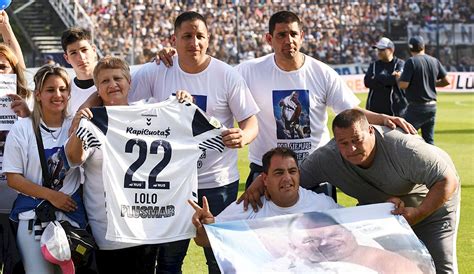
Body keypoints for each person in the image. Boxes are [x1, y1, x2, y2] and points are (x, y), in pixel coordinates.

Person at [156, 11, 415, 193]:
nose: (288, 40)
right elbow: (210, 73)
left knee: (319, 241)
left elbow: (350, 111)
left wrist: (384, 119)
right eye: (281, 35)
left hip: (315, 168)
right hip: (266, 169)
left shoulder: (322, 72)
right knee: (270, 246)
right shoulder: (248, 70)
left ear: (302, 36)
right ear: (270, 39)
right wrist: (175, 54)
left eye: (293, 34)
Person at [244, 109, 459, 274]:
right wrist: (260, 183)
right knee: (381, 267)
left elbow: (446, 180)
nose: (351, 149)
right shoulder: (326, 158)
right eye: (343, 143)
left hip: (432, 205)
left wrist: (420, 212)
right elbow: (291, 180)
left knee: (440, 267)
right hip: (383, 214)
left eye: (357, 140)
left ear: (370, 131)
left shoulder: (403, 149)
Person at [130, 11, 259, 273]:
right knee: (168, 263)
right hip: (171, 184)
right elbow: (118, 95)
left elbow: (251, 123)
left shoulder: (226, 75)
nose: (194, 42)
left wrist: (243, 136)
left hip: (217, 182)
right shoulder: (158, 69)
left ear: (209, 39)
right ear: (173, 39)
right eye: (187, 36)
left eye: (200, 36)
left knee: (220, 260)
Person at [65, 56, 192, 273]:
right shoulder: (94, 120)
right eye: (105, 81)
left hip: (146, 225)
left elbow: (180, 136)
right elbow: (74, 159)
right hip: (108, 230)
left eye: (118, 78)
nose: (113, 84)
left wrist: (183, 103)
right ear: (97, 88)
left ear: (129, 82)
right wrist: (80, 126)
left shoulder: (149, 116)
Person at [3, 65, 86, 274]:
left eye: (62, 89)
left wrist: (79, 125)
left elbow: (78, 159)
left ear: (69, 93)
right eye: (50, 90)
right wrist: (52, 196)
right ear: (38, 94)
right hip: (33, 217)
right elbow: (13, 178)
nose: (57, 95)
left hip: (72, 218)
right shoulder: (22, 128)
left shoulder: (77, 125)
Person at [188, 147, 341, 248]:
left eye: (292, 171)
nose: (287, 178)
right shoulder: (248, 207)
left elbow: (356, 228)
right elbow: (204, 240)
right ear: (265, 180)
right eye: (279, 173)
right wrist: (204, 225)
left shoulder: (323, 204)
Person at [0, 10, 34, 274]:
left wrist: (6, 27)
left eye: (2, 66)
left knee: (18, 268)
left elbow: (20, 66)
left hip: (19, 205)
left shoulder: (26, 101)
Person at [284, 212, 425, 274]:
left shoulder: (387, 262)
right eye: (311, 240)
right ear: (293, 247)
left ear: (350, 234)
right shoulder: (283, 267)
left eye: (334, 235)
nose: (325, 243)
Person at [397, 36, 450, 144]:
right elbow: (446, 81)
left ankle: (410, 161)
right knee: (429, 141)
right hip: (432, 106)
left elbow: (403, 85)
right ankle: (433, 161)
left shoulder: (411, 62)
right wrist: (430, 83)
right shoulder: (434, 61)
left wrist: (398, 78)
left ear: (410, 49)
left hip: (416, 106)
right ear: (423, 46)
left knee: (405, 138)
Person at [364, 37, 407, 117]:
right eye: (378, 50)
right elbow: (367, 82)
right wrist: (389, 79)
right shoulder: (374, 65)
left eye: (382, 50)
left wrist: (377, 79)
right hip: (374, 111)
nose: (379, 52)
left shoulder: (400, 64)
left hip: (396, 111)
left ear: (391, 50)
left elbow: (396, 80)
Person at [61, 27, 98, 113]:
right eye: (73, 53)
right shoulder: (65, 93)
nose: (81, 57)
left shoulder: (113, 84)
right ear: (67, 58)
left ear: (94, 50)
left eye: (84, 50)